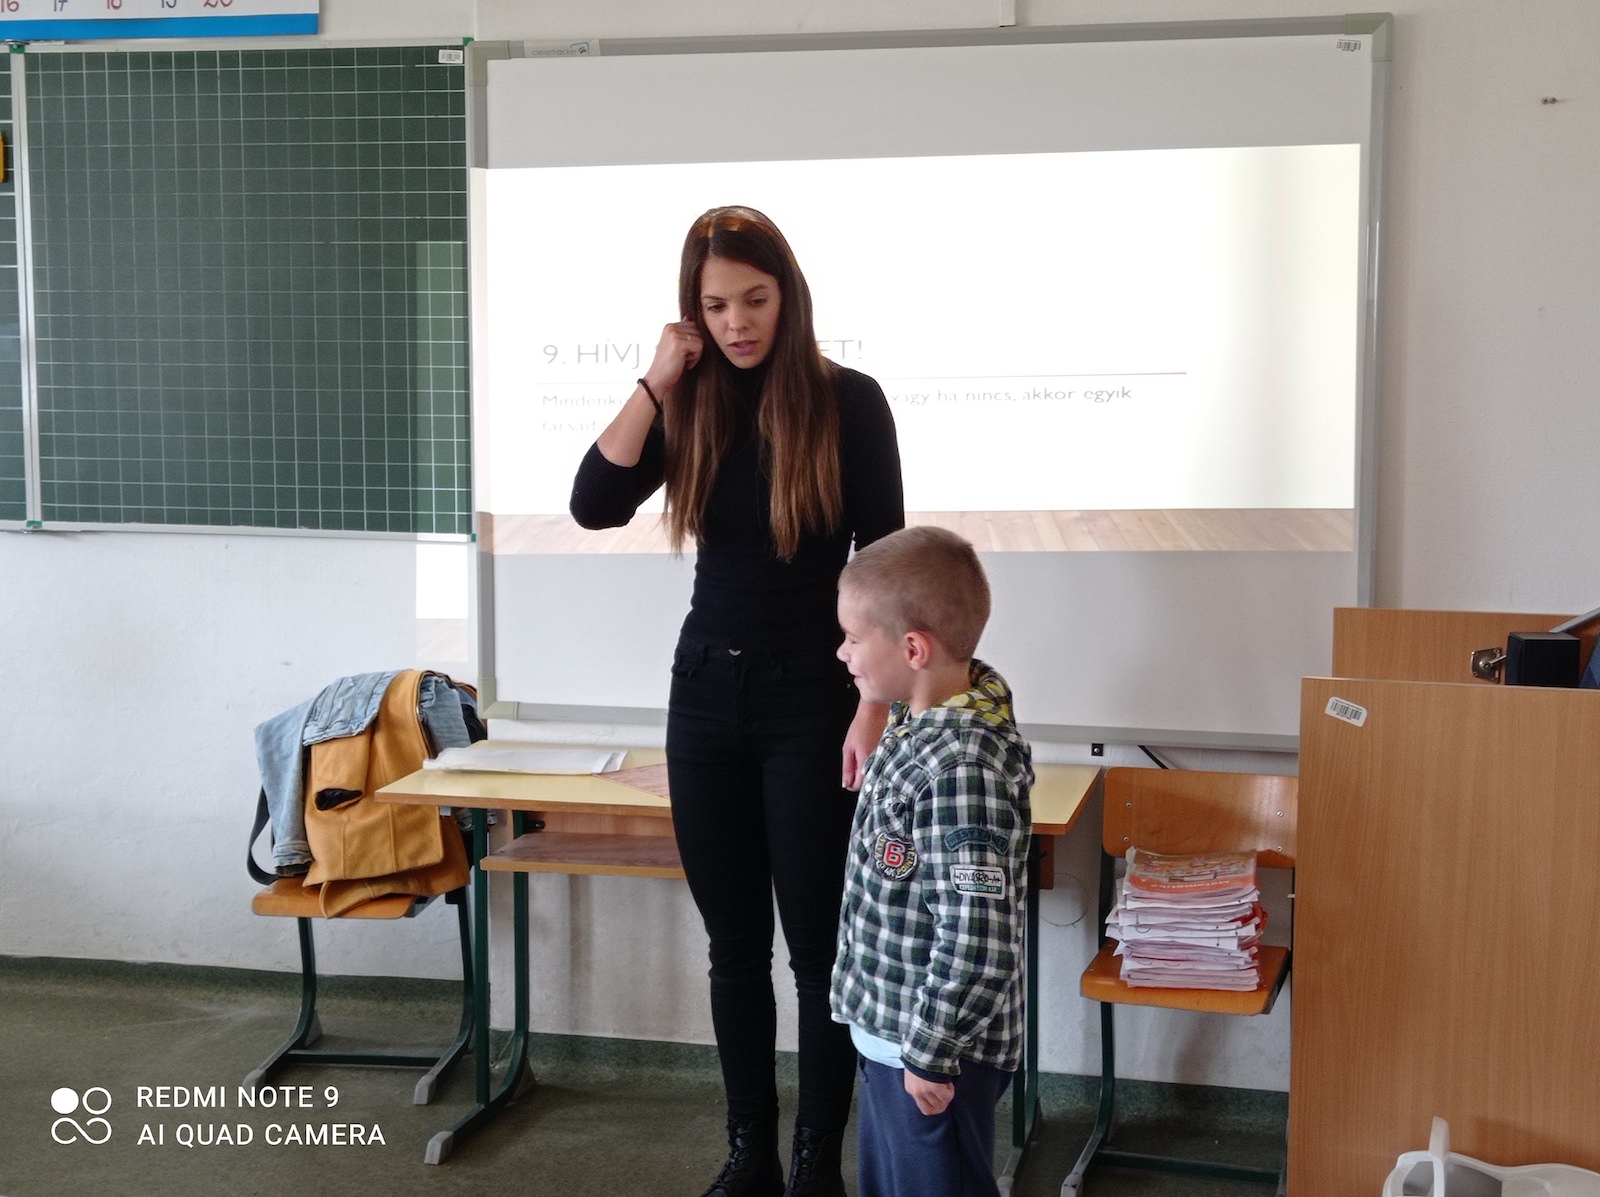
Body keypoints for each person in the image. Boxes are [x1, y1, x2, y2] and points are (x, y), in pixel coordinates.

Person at [569, 206, 904, 1197]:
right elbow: (593, 503)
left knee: (819, 952)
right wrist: (654, 382)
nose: (736, 323)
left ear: (787, 296)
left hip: (816, 702)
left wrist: (874, 708)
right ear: (692, 312)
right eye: (714, 306)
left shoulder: (849, 401)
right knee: (733, 950)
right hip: (706, 697)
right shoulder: (690, 403)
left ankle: (815, 1164)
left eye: (754, 300)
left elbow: (884, 561)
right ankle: (750, 1153)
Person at [829, 526, 1034, 1197]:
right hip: (894, 1038)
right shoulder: (915, 721)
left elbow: (976, 938)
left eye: (853, 638)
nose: (842, 652)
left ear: (913, 649)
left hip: (933, 1056)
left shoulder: (961, 767)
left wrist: (930, 1051)